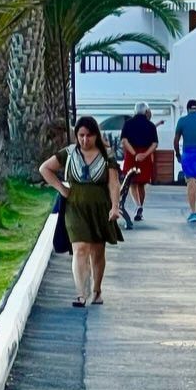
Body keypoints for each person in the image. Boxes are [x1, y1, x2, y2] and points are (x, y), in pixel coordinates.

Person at [39, 116, 124, 308]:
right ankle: (80, 294)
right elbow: (45, 169)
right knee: (80, 248)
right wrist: (62, 189)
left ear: (96, 135)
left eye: (89, 135)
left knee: (97, 251)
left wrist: (115, 206)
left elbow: (113, 183)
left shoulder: (106, 155)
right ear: (76, 135)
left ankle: (97, 290)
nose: (85, 140)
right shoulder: (69, 153)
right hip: (75, 207)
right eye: (81, 135)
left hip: (99, 208)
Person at [119, 102, 159, 222]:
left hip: (131, 156)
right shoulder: (151, 125)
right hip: (145, 156)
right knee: (141, 184)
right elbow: (154, 144)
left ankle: (138, 205)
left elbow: (124, 141)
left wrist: (134, 154)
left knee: (132, 182)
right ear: (146, 111)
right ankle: (140, 207)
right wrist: (145, 154)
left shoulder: (128, 123)